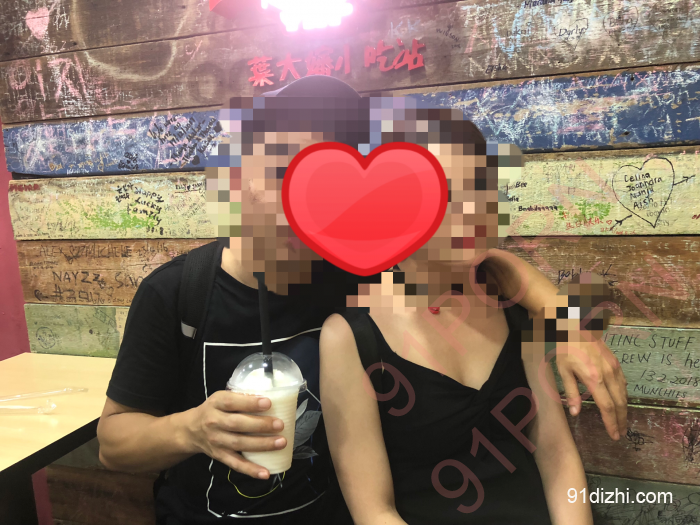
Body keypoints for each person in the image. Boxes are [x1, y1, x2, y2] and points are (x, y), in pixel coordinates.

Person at [97, 76, 625, 525]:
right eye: (284, 171)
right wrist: (192, 429)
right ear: (237, 176)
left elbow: (484, 261)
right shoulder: (177, 293)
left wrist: (569, 323)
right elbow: (112, 443)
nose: (302, 195)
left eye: (321, 177)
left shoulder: (355, 270)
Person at [318, 105, 606, 524]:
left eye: (478, 186)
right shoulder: (350, 336)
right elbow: (374, 511)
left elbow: (556, 453)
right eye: (445, 194)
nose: (472, 208)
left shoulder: (511, 301)